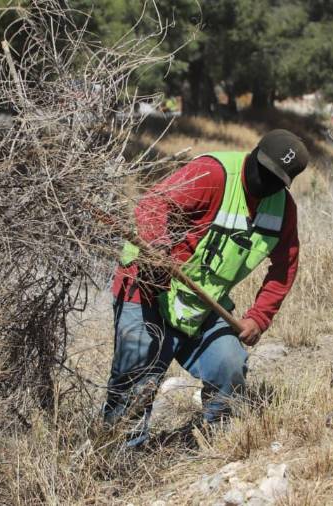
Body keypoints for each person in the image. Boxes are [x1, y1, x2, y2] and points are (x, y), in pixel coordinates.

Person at [104, 130, 309, 446]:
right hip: (147, 288)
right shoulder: (213, 174)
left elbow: (285, 267)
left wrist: (259, 317)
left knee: (229, 366)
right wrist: (157, 250)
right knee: (136, 383)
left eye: (275, 178)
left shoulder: (282, 210)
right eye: (262, 169)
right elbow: (153, 203)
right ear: (253, 153)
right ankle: (116, 455)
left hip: (202, 304)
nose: (263, 181)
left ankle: (219, 445)